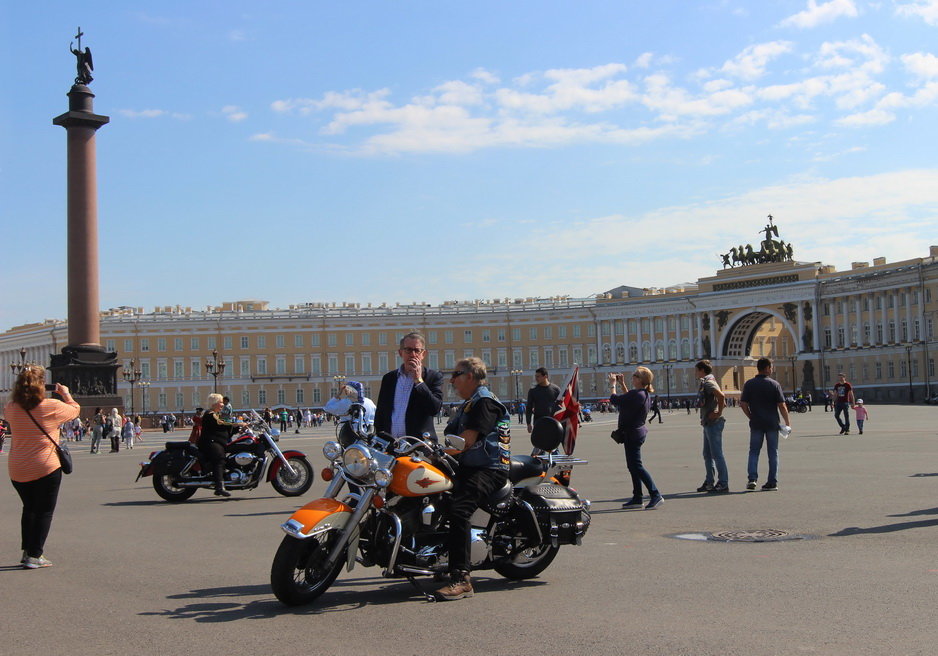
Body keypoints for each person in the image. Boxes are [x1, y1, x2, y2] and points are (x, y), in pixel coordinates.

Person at [436, 357, 511, 601]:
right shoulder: (469, 403)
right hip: (470, 465)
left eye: (456, 374)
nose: (452, 380)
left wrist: (435, 453)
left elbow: (467, 440)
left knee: (459, 510)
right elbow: (450, 437)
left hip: (489, 468)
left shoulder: (485, 403)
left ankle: (462, 578)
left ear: (470, 376)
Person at [5, 365, 80, 569]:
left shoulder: (11, 407)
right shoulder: (51, 406)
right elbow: (75, 410)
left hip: (17, 468)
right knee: (44, 511)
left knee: (28, 508)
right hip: (45, 467)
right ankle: (35, 555)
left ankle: (26, 550)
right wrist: (65, 393)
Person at [609, 367, 663, 510]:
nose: (632, 377)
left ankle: (655, 494)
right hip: (634, 433)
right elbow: (628, 399)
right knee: (632, 466)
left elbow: (615, 400)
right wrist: (622, 384)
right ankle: (637, 497)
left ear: (641, 380)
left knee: (636, 466)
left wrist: (613, 384)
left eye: (635, 375)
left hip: (632, 434)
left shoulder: (637, 394)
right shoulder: (641, 394)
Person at [375, 332, 444, 439]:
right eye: (408, 350)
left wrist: (419, 381)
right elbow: (380, 413)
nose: (412, 354)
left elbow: (434, 408)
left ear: (423, 354)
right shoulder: (389, 378)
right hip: (392, 447)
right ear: (400, 352)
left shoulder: (433, 377)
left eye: (417, 350)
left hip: (419, 445)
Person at [740, 358, 791, 492]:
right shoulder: (774, 384)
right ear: (767, 368)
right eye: (771, 367)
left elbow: (743, 404)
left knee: (754, 451)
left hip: (756, 423)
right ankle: (772, 482)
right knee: (773, 452)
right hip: (772, 423)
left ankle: (752, 479)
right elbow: (782, 405)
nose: (772, 369)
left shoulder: (749, 384)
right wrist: (787, 423)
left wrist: (750, 416)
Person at [197, 393, 245, 497]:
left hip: (216, 441)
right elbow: (221, 423)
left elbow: (224, 429)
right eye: (221, 402)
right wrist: (237, 424)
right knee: (220, 459)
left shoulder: (215, 414)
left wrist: (238, 428)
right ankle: (219, 487)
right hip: (210, 442)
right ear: (214, 403)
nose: (223, 404)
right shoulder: (210, 414)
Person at [695, 360, 729, 493]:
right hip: (708, 422)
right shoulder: (708, 381)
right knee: (707, 454)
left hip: (714, 423)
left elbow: (721, 396)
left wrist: (718, 412)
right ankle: (709, 481)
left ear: (702, 370)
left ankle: (723, 482)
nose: (695, 373)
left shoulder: (708, 383)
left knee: (716, 454)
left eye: (697, 370)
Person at [525, 367, 561, 434]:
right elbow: (529, 408)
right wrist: (528, 423)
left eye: (538, 376)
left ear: (545, 376)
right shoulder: (533, 390)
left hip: (553, 422)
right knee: (540, 443)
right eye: (535, 376)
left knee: (552, 443)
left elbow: (562, 405)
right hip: (538, 422)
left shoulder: (556, 389)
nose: (536, 378)